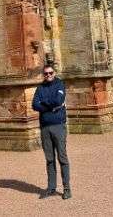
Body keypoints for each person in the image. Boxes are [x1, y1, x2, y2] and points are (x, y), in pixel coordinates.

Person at [32, 64, 71, 200]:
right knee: (49, 159)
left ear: (54, 73)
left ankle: (67, 189)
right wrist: (51, 106)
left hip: (58, 126)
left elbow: (58, 100)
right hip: (45, 127)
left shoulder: (60, 84)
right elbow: (34, 105)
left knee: (62, 158)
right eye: (46, 73)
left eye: (50, 73)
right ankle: (51, 188)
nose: (48, 75)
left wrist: (44, 103)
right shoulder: (40, 87)